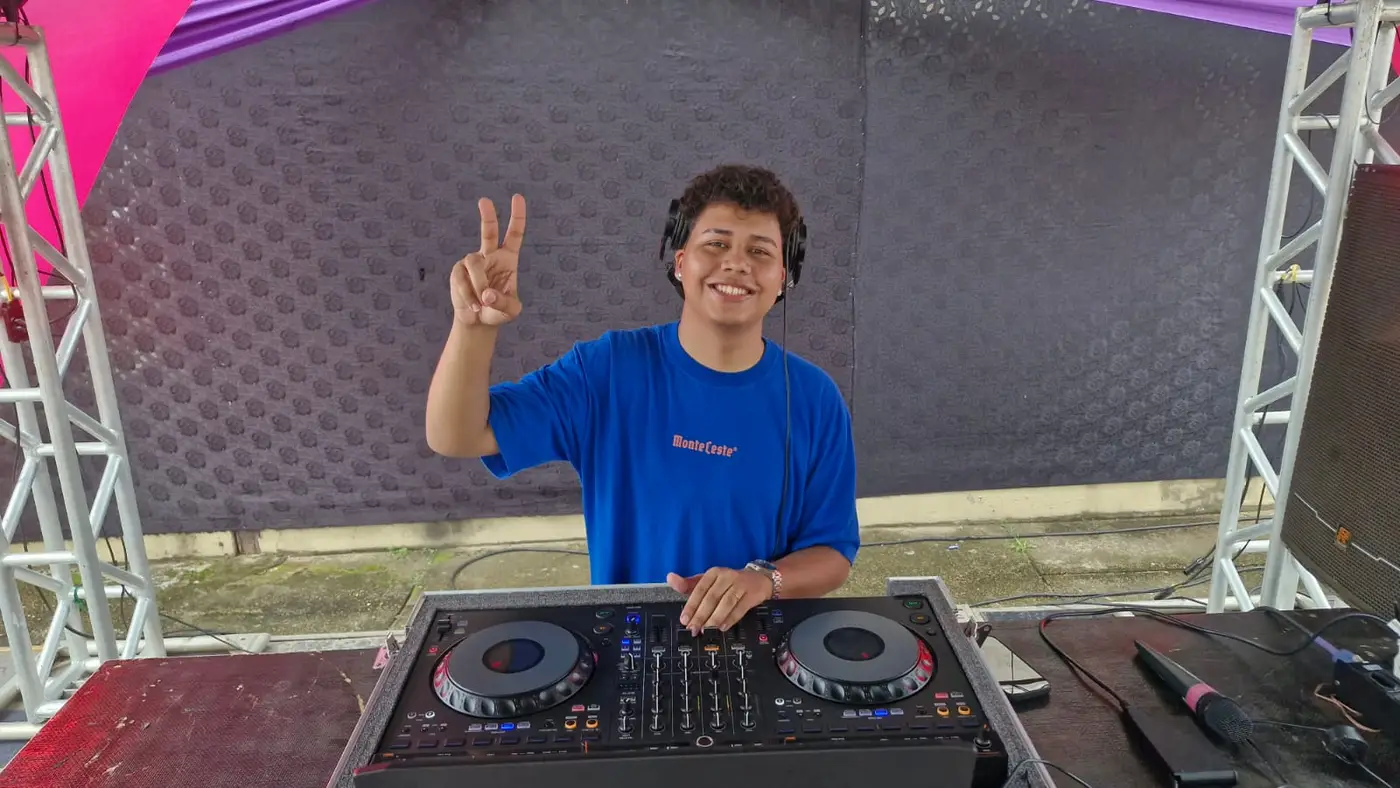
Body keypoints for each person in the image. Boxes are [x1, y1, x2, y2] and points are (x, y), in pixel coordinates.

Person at [425, 164, 859, 634]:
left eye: (759, 251)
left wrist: (763, 580)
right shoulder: (608, 370)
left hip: (761, 646)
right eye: (716, 244)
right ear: (680, 262)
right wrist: (472, 326)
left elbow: (833, 552)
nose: (736, 263)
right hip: (628, 642)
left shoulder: (814, 398)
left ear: (783, 277)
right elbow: (457, 435)